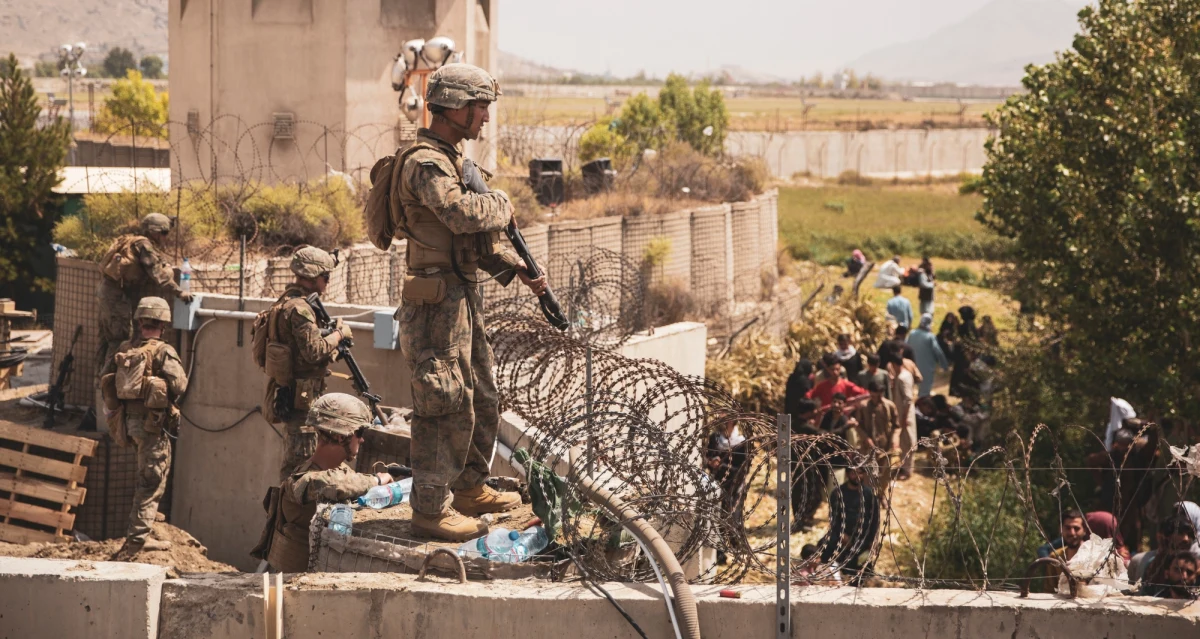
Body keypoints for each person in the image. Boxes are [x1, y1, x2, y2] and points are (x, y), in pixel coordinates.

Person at [392, 63, 547, 542]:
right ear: (456, 106)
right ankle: (431, 509)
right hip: (435, 302)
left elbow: (470, 243)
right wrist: (502, 203)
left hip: (460, 296)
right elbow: (461, 215)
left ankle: (468, 487)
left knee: (480, 393)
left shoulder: (453, 158)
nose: (484, 117)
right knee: (443, 400)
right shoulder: (426, 162)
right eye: (480, 107)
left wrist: (509, 266)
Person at [254, 394, 393, 573]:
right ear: (340, 436)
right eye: (359, 433)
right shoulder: (303, 481)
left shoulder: (341, 472)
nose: (362, 439)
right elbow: (330, 485)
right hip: (291, 588)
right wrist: (376, 480)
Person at [101, 297, 188, 559]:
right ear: (163, 323)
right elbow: (180, 386)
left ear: (139, 322)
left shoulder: (125, 348)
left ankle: (147, 521)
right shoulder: (163, 351)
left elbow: (106, 379)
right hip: (152, 426)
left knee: (151, 474)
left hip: (128, 424)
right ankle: (138, 540)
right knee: (150, 481)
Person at [259, 246, 354, 482]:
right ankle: (288, 517)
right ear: (314, 278)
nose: (327, 283)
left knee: (296, 468)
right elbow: (314, 351)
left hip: (294, 394)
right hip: (301, 401)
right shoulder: (300, 309)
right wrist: (340, 335)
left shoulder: (285, 302)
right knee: (298, 470)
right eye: (326, 277)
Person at [96, 212, 194, 373]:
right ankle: (109, 383)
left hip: (108, 293)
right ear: (153, 231)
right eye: (163, 233)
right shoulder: (144, 246)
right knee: (119, 340)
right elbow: (158, 274)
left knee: (106, 339)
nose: (165, 237)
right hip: (115, 297)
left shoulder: (133, 241)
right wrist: (179, 292)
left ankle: (99, 382)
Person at [1086, 422, 1159, 553]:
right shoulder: (1110, 457)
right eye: (1121, 443)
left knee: (1132, 534)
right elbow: (1091, 460)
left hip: (1131, 502)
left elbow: (1151, 449)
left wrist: (1153, 431)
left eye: (1127, 443)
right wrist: (1101, 483)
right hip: (1110, 502)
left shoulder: (1137, 457)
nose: (1124, 446)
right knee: (1107, 532)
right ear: (1116, 443)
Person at [820, 458, 881, 585]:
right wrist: (842, 535)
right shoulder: (838, 493)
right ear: (848, 474)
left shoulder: (868, 494)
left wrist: (873, 540)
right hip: (841, 534)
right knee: (825, 550)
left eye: (860, 472)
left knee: (860, 567)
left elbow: (874, 519)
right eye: (854, 473)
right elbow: (834, 518)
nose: (857, 476)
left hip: (862, 538)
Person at [705, 420, 751, 561]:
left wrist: (723, 466)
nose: (722, 423)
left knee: (733, 518)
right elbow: (707, 456)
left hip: (735, 484)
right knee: (717, 519)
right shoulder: (715, 438)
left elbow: (744, 467)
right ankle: (720, 554)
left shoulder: (742, 442)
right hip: (717, 484)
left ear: (733, 422)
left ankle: (737, 548)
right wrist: (711, 462)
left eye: (725, 421)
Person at [852, 380, 899, 484]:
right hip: (868, 447)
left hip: (885, 446)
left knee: (885, 473)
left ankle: (881, 496)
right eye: (874, 395)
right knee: (868, 474)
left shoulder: (889, 405)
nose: (877, 399)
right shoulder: (863, 406)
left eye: (879, 395)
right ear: (870, 393)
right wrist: (866, 439)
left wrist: (894, 440)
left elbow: (896, 426)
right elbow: (858, 426)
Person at [888, 343, 918, 480]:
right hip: (903, 413)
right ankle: (904, 467)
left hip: (906, 414)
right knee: (904, 441)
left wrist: (904, 417)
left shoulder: (902, 378)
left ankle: (908, 470)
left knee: (907, 441)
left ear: (895, 364)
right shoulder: (905, 375)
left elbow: (907, 399)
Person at [1042, 509, 1088, 592]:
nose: (1072, 533)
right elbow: (1049, 590)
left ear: (1084, 530)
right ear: (1061, 529)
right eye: (1067, 528)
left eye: (1076, 528)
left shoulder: (1093, 555)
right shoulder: (1055, 557)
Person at [907, 314, 948, 397]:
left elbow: (905, 347)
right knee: (924, 393)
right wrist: (944, 365)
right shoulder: (930, 336)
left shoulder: (912, 334)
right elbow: (938, 352)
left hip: (911, 366)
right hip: (926, 368)